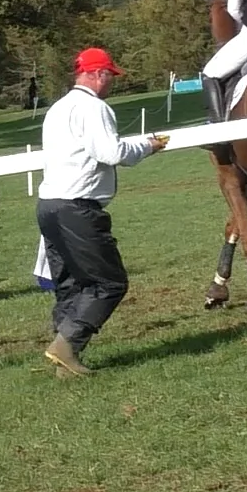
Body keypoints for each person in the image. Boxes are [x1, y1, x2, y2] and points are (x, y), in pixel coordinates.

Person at [36, 47, 167, 377]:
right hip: (77, 208)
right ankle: (65, 346)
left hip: (49, 206)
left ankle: (65, 359)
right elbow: (110, 152)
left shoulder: (58, 108)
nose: (112, 83)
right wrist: (148, 146)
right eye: (111, 76)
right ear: (98, 74)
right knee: (110, 283)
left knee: (70, 285)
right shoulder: (93, 108)